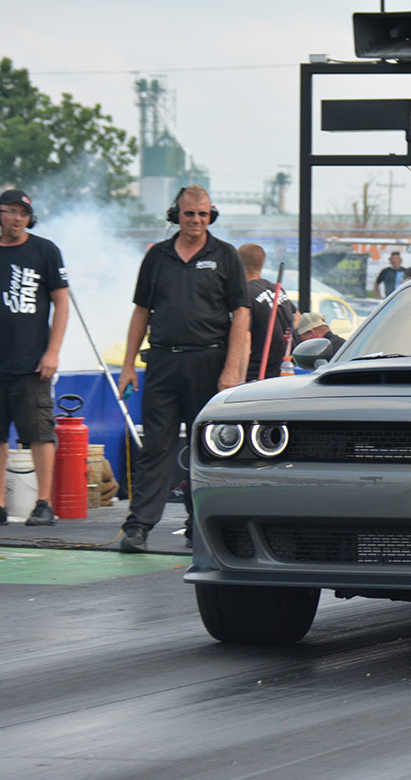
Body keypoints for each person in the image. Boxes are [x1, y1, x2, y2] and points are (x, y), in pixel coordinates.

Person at [116, 185, 248, 553]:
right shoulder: (157, 257)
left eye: (203, 214)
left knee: (204, 449)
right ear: (177, 214)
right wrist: (128, 365)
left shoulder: (225, 256)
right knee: (155, 448)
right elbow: (141, 311)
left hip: (209, 361)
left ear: (212, 215)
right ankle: (138, 527)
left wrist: (232, 370)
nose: (196, 220)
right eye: (190, 214)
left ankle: (199, 525)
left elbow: (241, 315)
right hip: (161, 361)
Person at [0, 189, 68, 527]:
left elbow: (61, 303)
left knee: (39, 432)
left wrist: (53, 352)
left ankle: (44, 503)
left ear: (29, 218)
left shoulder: (45, 251)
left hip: (32, 362)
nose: (16, 219)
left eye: (22, 213)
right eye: (10, 212)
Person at [240, 243, 296, 380]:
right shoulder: (276, 289)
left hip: (256, 374)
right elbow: (297, 316)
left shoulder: (245, 293)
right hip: (280, 371)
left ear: (238, 264)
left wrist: (239, 380)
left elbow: (245, 338)